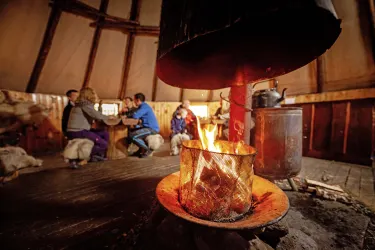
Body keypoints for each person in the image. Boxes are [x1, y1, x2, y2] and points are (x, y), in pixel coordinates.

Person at [66, 88, 111, 167]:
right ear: (90, 95)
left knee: (104, 133)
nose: (95, 95)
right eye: (94, 94)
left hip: (78, 130)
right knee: (103, 144)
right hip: (78, 132)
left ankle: (97, 156)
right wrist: (110, 117)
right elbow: (98, 116)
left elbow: (96, 114)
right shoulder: (84, 104)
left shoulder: (81, 104)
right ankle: (83, 157)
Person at [127, 93, 160, 158]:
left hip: (151, 129)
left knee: (132, 136)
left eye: (134, 100)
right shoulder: (142, 106)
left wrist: (132, 114)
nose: (133, 102)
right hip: (147, 127)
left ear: (138, 100)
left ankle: (148, 149)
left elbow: (135, 115)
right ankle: (140, 150)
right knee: (131, 131)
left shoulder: (145, 107)